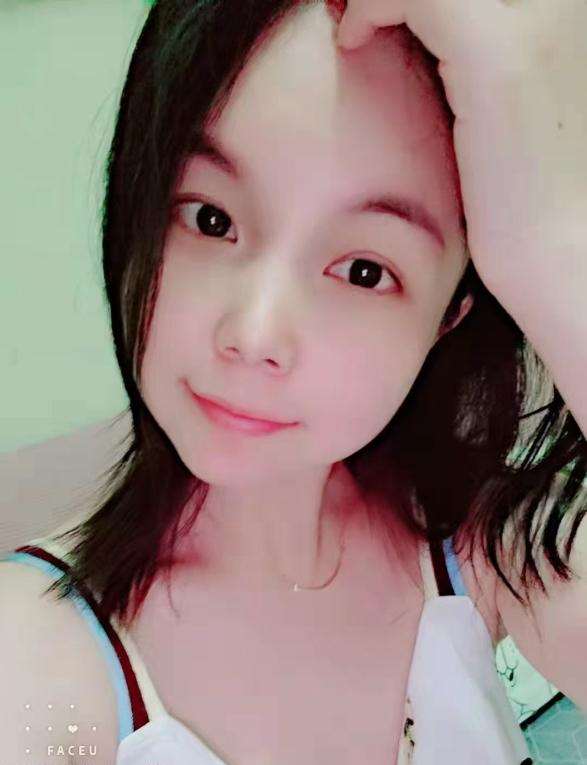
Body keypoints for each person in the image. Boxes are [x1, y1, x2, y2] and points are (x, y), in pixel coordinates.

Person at [2, 0, 584, 762]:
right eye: (210, 219)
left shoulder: (487, 549)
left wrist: (560, 248)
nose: (253, 335)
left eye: (364, 270)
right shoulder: (34, 659)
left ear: (450, 313)